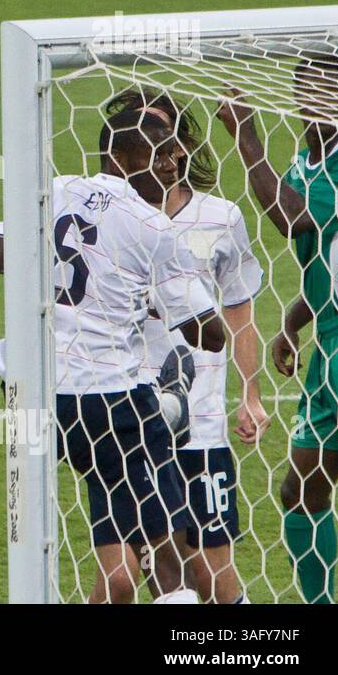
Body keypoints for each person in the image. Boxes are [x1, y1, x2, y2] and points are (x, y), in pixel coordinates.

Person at [0, 109, 227, 603]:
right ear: (119, 157)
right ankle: (168, 406)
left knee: (119, 579)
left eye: (174, 153)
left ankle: (163, 409)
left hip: (32, 399)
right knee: (166, 553)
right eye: (161, 153)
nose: (173, 164)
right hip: (109, 405)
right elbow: (210, 336)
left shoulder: (51, 193)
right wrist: (153, 297)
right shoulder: (153, 226)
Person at [105, 89, 265, 603]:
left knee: (211, 574)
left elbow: (239, 308)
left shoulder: (220, 217)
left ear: (179, 146)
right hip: (128, 416)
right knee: (125, 575)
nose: (160, 149)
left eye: (166, 137)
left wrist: (251, 393)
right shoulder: (106, 216)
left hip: (201, 422)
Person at [216, 49, 338, 603]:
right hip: (330, 350)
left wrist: (245, 135)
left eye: (328, 90)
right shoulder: (306, 160)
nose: (313, 100)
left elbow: (294, 217)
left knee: (306, 486)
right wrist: (293, 321)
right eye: (307, 88)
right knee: (300, 491)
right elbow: (330, 252)